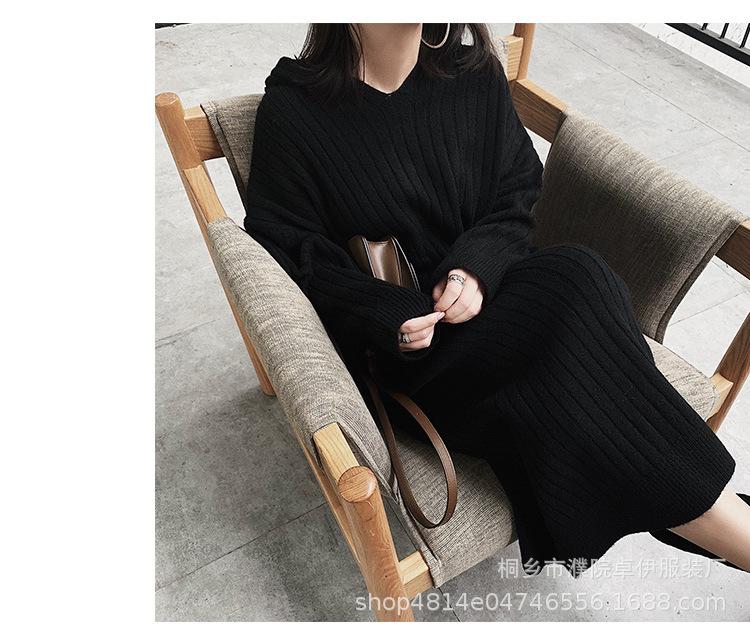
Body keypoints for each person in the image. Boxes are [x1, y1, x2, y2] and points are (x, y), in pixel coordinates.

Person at [241, 23, 750, 575]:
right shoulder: (295, 112)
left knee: (579, 274)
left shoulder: (473, 74)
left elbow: (518, 189)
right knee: (577, 321)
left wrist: (475, 270)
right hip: (416, 360)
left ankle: (731, 532)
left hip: (500, 305)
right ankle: (735, 531)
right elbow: (289, 249)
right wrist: (385, 313)